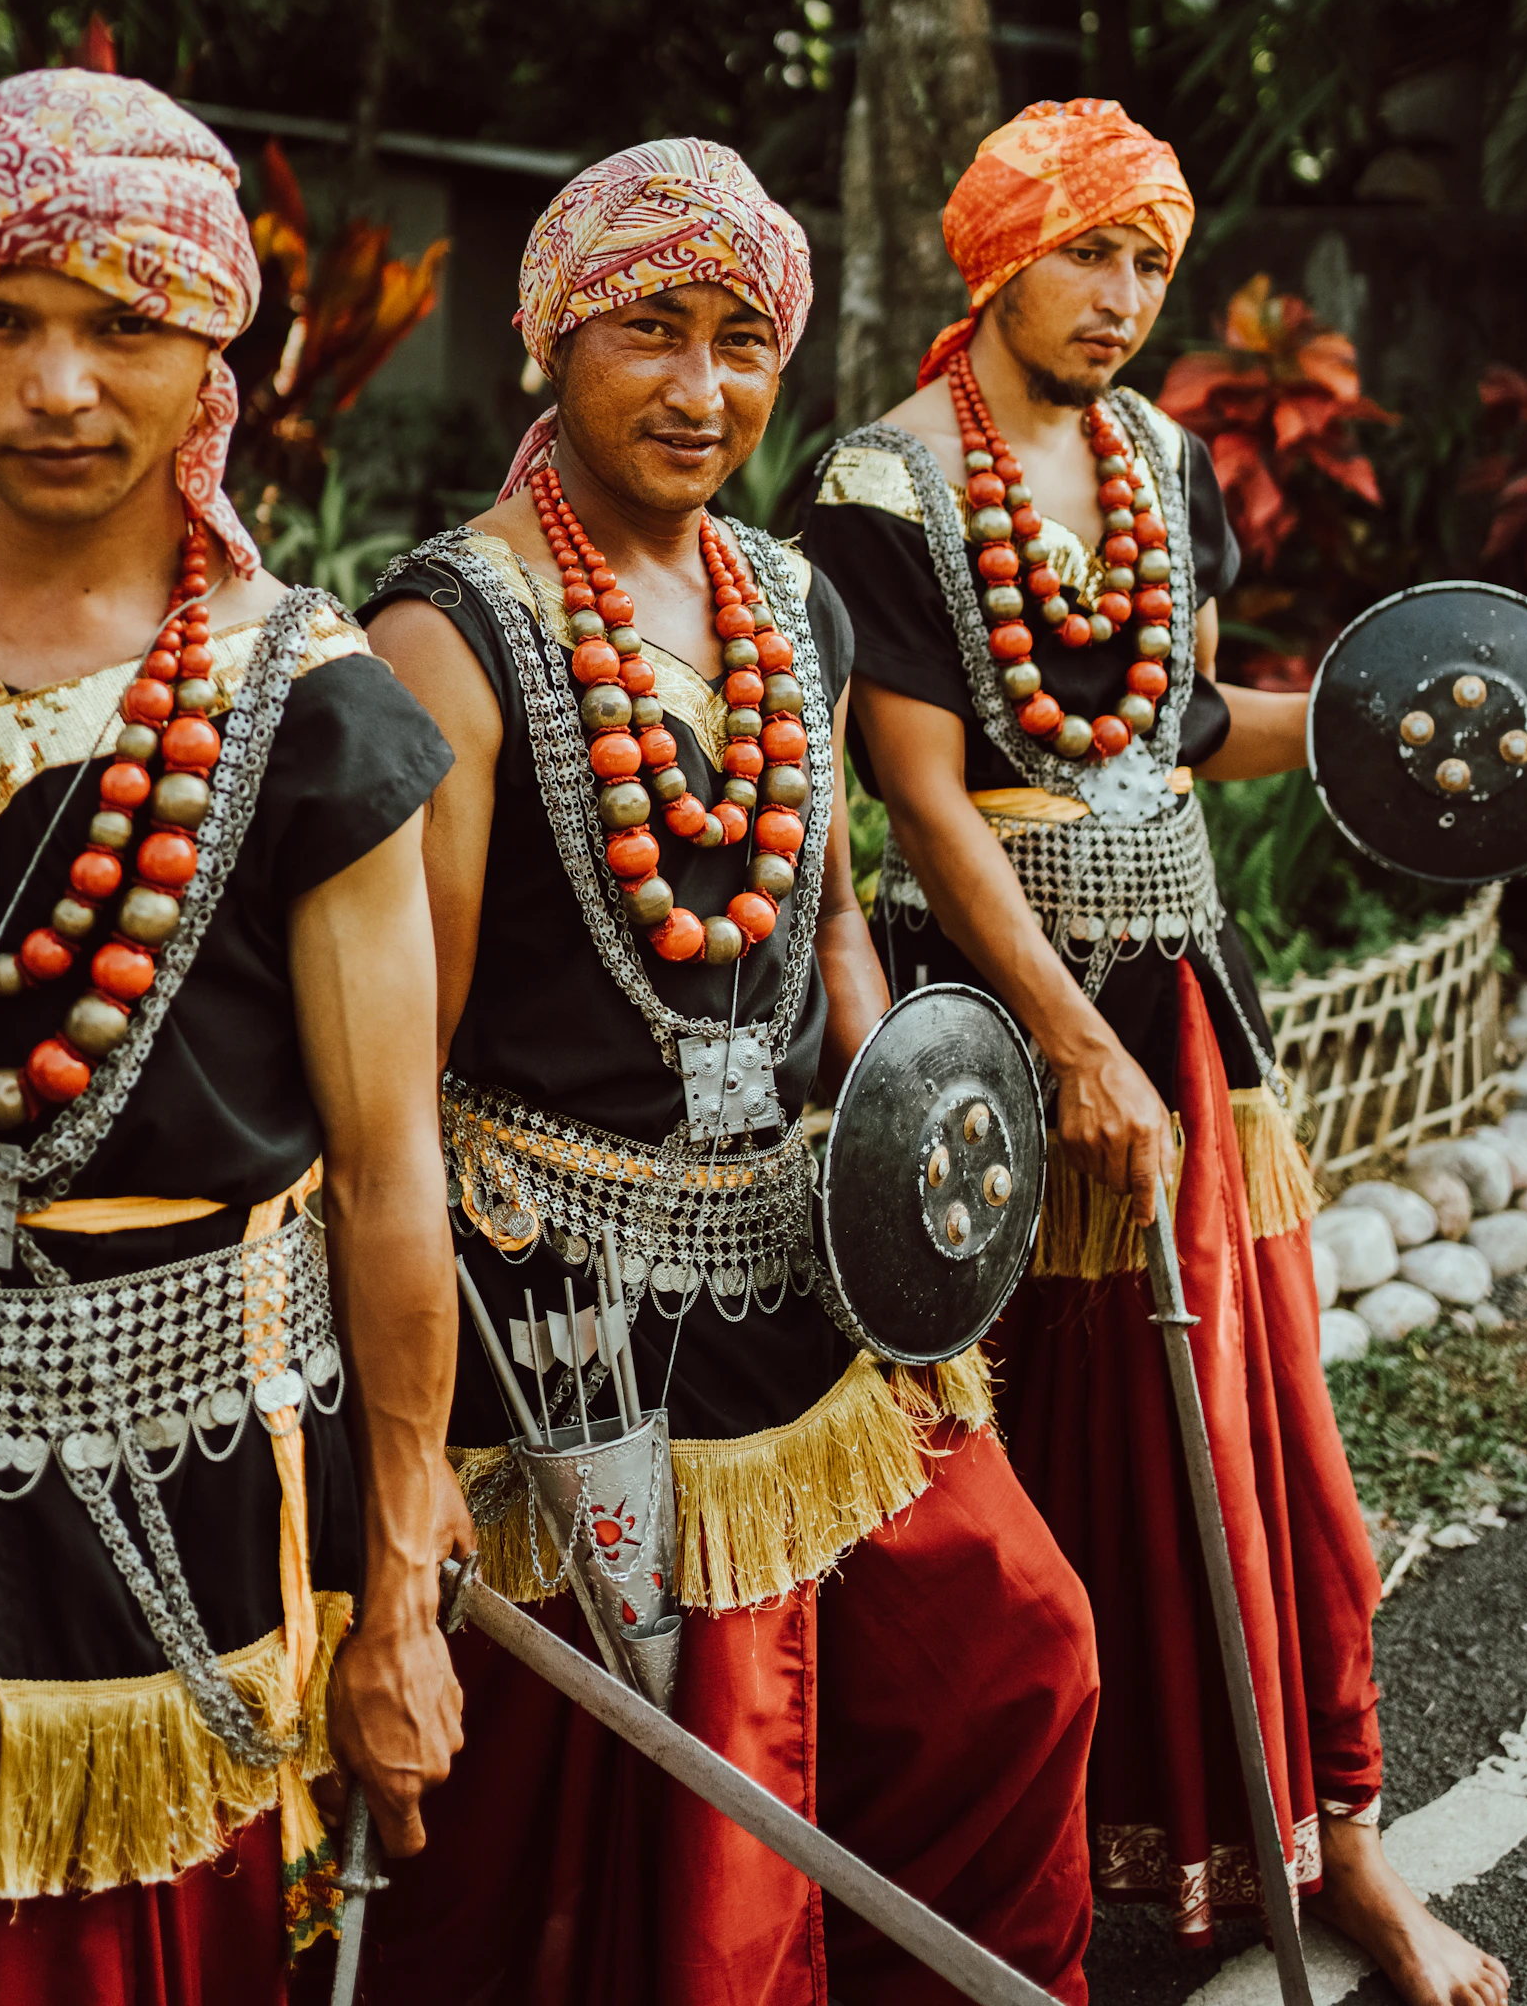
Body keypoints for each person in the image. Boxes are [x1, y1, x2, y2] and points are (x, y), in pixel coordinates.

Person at [0, 71, 465, 2006]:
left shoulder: (314, 710)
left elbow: (390, 1173)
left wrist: (402, 1576)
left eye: (124, 325)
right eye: (2, 318)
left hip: (189, 1492)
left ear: (212, 345)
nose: (59, 387)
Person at [361, 136, 1099, 2006]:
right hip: (562, 1323)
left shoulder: (791, 599)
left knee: (1016, 1647)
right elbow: (399, 1078)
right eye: (652, 331)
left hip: (801, 1267)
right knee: (671, 1818)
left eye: (744, 341)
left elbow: (830, 916)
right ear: (550, 339)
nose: (703, 389)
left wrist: (898, 1150)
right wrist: (407, 1447)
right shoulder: (445, 633)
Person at [803, 97, 1508, 2006]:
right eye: (1086, 253)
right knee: (1021, 1444)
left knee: (1262, 1430)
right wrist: (1069, 1047)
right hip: (997, 1034)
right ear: (997, 257)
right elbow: (923, 799)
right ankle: (1011, 1878)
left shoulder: (1163, 462)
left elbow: (1178, 725)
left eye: (1146, 261)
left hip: (1189, 1007)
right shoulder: (883, 488)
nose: (1119, 296)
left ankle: (1335, 1842)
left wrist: (1388, 715)